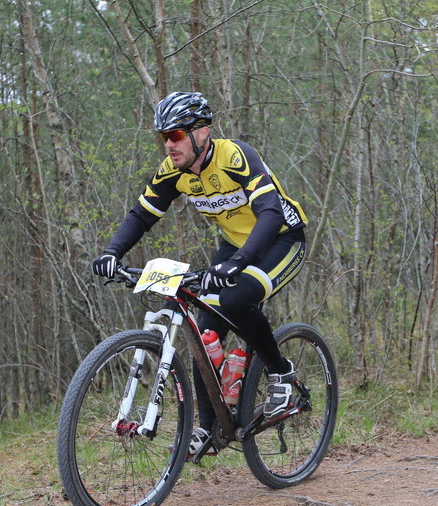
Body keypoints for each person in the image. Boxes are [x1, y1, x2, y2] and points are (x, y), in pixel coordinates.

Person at [92, 91, 308, 456]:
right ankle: (208, 428)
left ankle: (281, 373)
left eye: (175, 135)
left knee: (237, 298)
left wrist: (239, 264)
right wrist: (112, 252)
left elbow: (270, 214)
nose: (168, 145)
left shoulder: (235, 156)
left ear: (202, 131)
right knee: (205, 328)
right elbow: (142, 215)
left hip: (279, 240)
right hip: (234, 246)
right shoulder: (174, 172)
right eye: (163, 137)